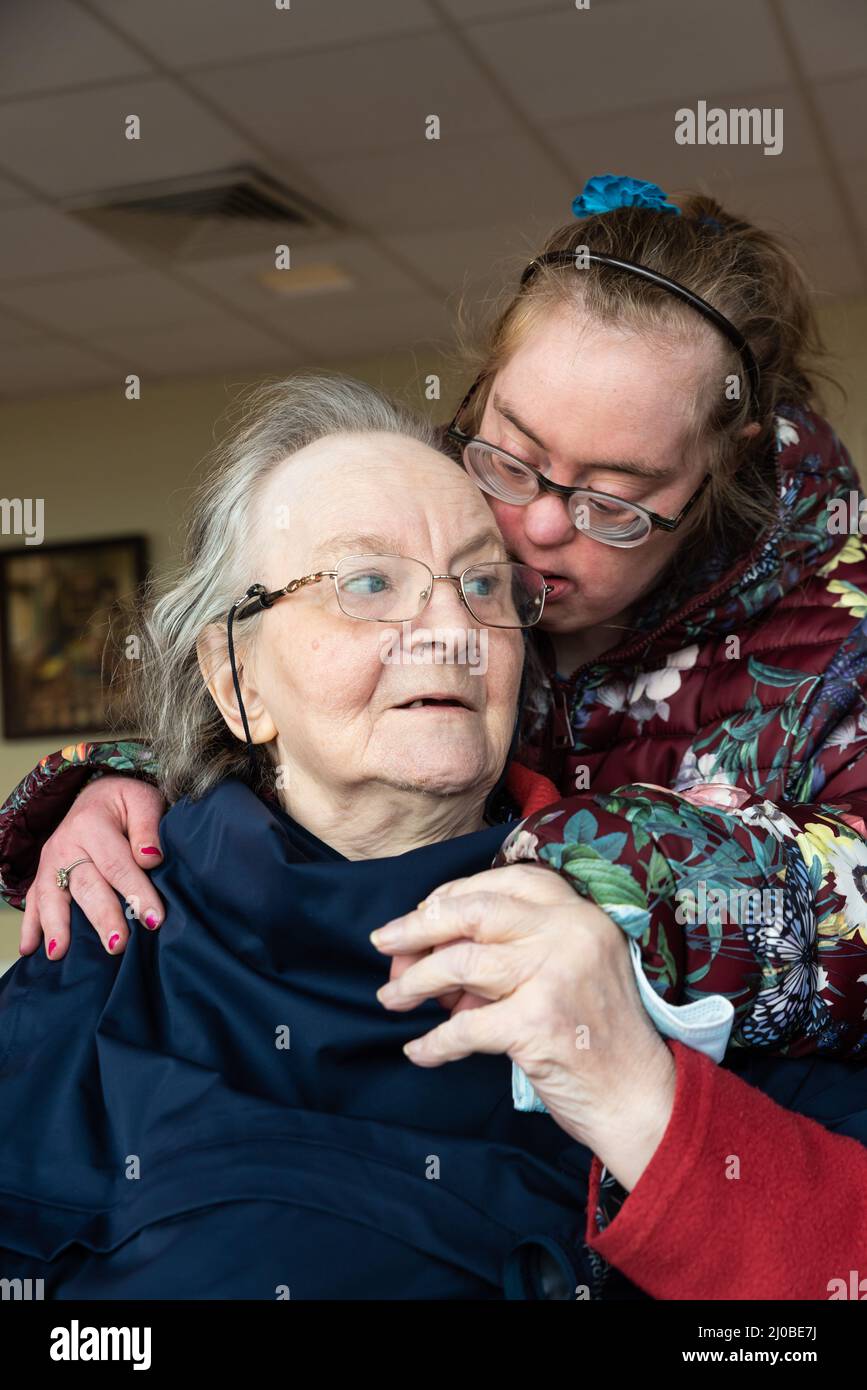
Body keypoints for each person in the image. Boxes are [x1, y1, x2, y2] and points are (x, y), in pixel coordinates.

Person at [3, 175, 867, 1300]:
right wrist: (113, 780)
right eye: (508, 454)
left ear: (719, 481)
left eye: (616, 500)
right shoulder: (108, 977)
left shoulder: (830, 650)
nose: (530, 529)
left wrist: (605, 893)